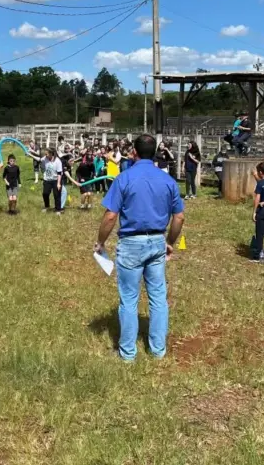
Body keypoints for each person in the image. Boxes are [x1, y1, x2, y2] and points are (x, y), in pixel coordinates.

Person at [94, 134, 185, 362]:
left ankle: (127, 353)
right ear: (154, 152)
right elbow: (179, 217)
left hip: (131, 244)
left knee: (129, 299)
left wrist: (101, 242)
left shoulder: (124, 178)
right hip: (156, 241)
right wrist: (170, 243)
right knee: (158, 297)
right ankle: (157, 350)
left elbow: (110, 216)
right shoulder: (168, 180)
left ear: (133, 152)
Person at [36, 148, 64, 214]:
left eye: (47, 154)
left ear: (51, 154)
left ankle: (58, 209)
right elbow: (39, 159)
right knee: (45, 193)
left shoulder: (57, 161)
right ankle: (47, 206)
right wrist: (30, 154)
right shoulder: (45, 158)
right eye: (45, 154)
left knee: (57, 195)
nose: (45, 155)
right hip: (47, 180)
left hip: (56, 180)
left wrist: (58, 183)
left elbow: (59, 173)